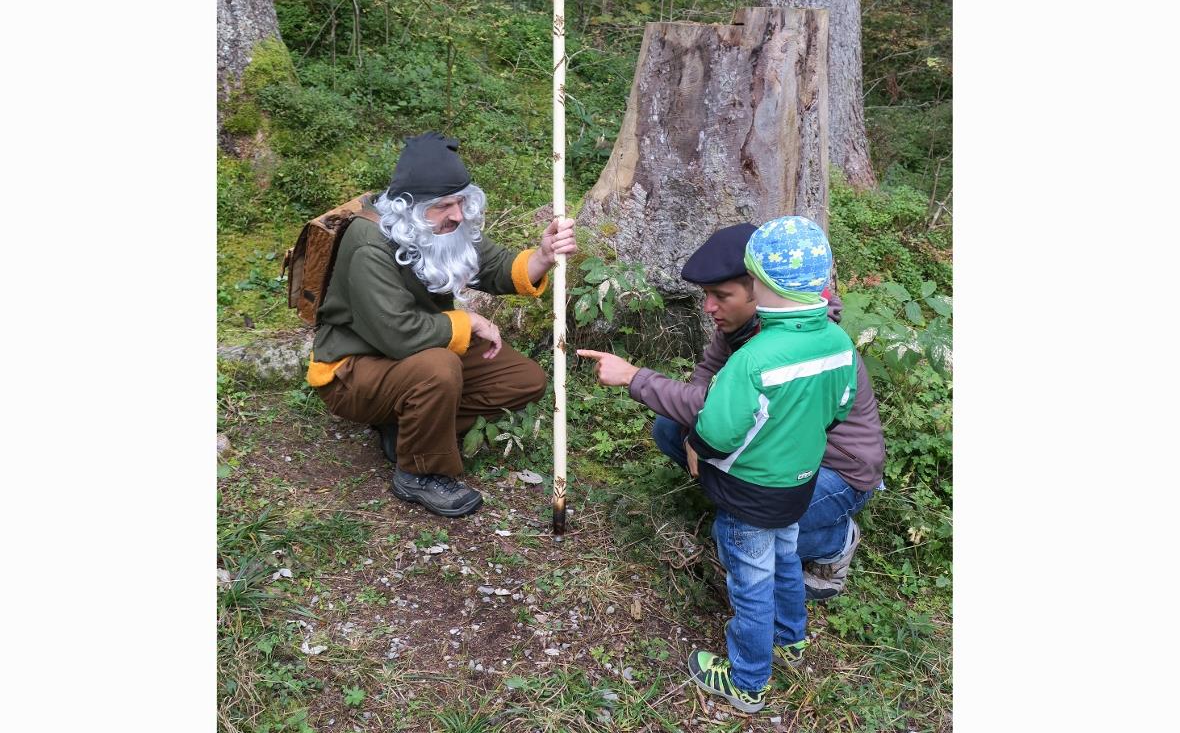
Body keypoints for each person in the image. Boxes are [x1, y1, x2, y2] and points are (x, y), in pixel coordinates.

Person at [577, 223, 885, 600]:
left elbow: (713, 406)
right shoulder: (742, 324)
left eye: (721, 295)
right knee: (670, 427)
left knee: (737, 540)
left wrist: (634, 377)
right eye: (707, 295)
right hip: (773, 451)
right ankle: (743, 511)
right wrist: (694, 425)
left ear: (758, 290)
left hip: (835, 471)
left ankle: (833, 541)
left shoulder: (796, 342)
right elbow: (708, 376)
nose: (708, 307)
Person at [307, 132, 575, 518]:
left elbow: (493, 265)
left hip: (412, 355)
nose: (457, 215)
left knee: (523, 379)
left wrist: (543, 256)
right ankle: (419, 471)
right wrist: (467, 320)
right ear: (409, 208)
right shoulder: (370, 242)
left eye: (461, 202)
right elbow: (399, 334)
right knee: (439, 366)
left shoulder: (440, 227)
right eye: (445, 206)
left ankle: (408, 429)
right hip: (353, 369)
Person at [683, 215, 857, 712]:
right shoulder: (837, 343)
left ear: (762, 285)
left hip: (749, 494)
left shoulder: (752, 359)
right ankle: (792, 636)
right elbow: (840, 408)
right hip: (798, 484)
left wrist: (698, 437)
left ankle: (748, 679)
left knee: (750, 582)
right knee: (785, 557)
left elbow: (717, 431)